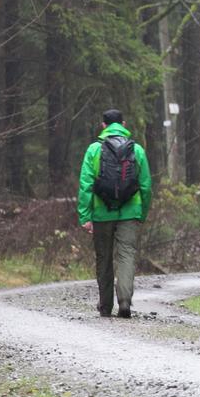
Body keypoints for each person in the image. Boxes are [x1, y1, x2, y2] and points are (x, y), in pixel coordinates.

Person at [76, 109, 152, 318]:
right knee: (126, 255)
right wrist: (141, 212)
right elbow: (145, 186)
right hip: (130, 212)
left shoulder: (93, 150)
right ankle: (125, 301)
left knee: (104, 257)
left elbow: (85, 185)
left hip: (102, 213)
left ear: (103, 126)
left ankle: (106, 305)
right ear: (124, 124)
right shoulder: (137, 150)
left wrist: (85, 216)